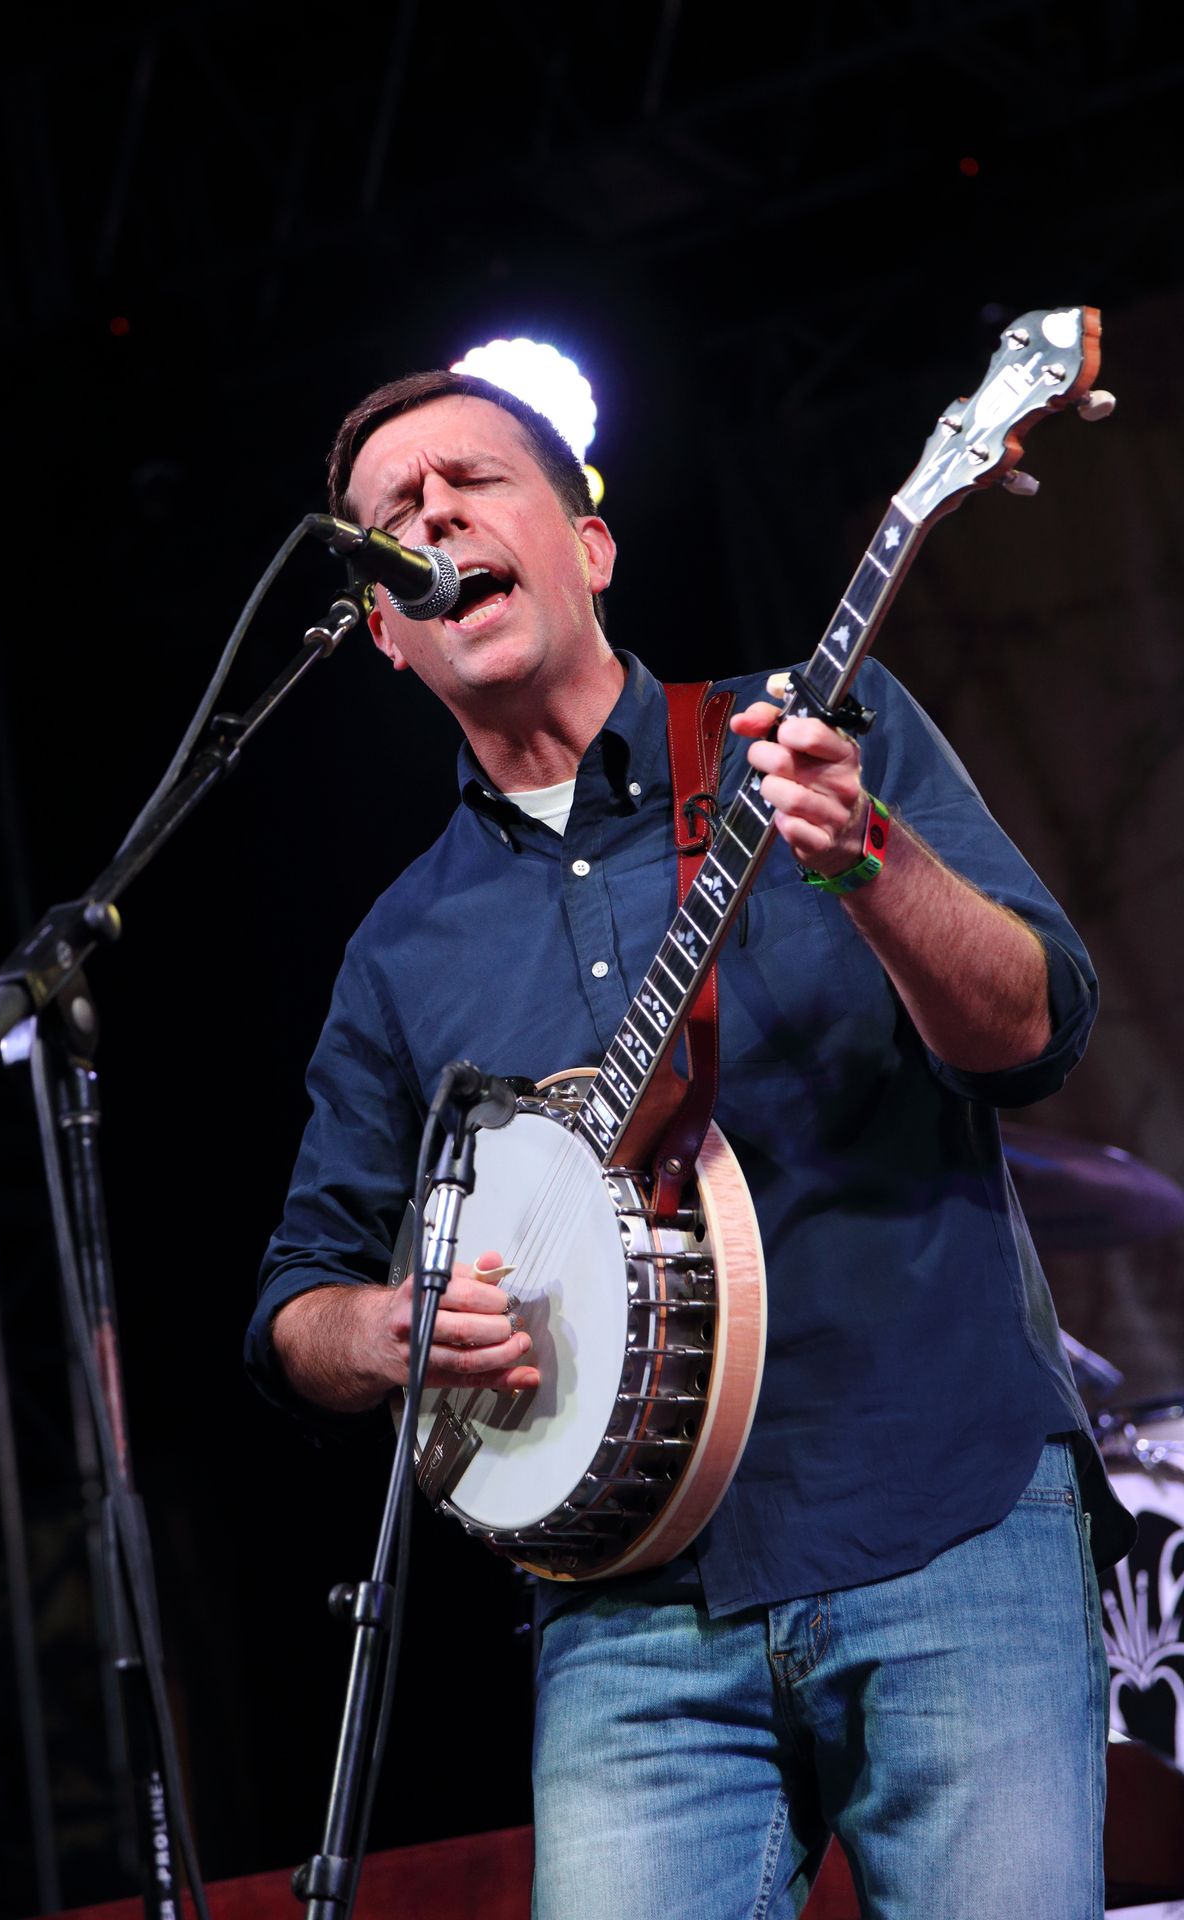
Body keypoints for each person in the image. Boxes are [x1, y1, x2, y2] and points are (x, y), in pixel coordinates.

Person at [246, 368, 1132, 1919]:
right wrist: (393, 1328)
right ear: (387, 629)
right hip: (626, 1619)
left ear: (589, 546)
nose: (432, 517)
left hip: (942, 1517)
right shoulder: (399, 953)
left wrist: (871, 861)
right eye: (392, 519)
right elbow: (294, 1303)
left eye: (471, 482)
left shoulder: (818, 729)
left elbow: (1037, 1028)